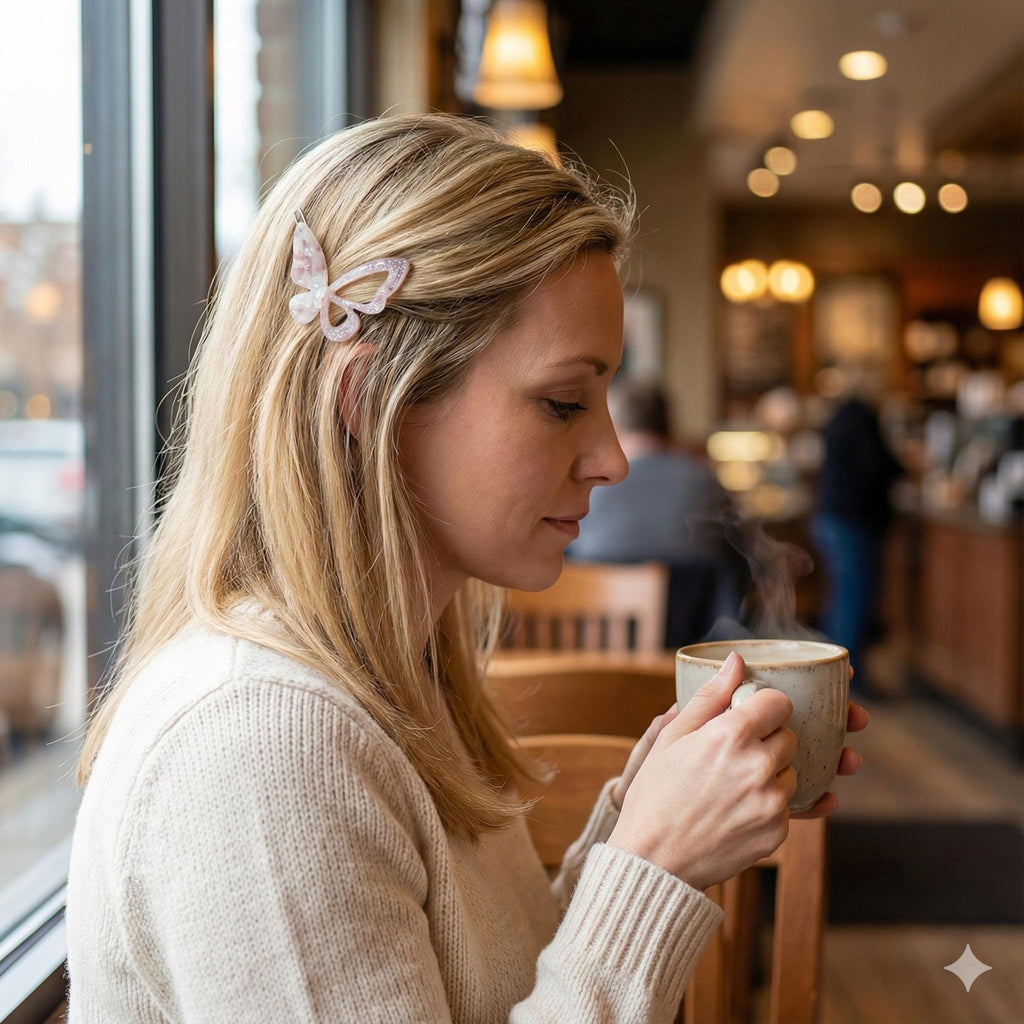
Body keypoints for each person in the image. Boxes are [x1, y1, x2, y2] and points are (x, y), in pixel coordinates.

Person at [66, 114, 867, 1023]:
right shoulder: (260, 743)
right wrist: (656, 866)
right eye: (563, 402)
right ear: (369, 397)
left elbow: (497, 994)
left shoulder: (392, 681)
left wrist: (644, 819)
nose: (611, 458)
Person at [569, 379, 748, 644]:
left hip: (595, 649)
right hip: (696, 646)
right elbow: (740, 555)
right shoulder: (705, 480)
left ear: (613, 427)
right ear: (668, 426)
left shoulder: (591, 486)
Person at [813, 369, 904, 690]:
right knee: (851, 601)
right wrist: (903, 466)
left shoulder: (838, 416)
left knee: (840, 599)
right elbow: (873, 466)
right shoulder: (862, 417)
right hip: (851, 521)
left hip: (830, 517)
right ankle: (848, 678)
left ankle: (827, 673)